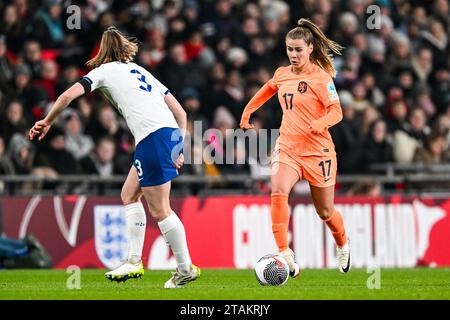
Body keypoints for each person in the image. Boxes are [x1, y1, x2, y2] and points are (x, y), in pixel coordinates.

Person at [29, 26, 200, 288]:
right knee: (129, 194)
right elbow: (180, 112)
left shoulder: (103, 71)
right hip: (164, 136)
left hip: (151, 138)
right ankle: (133, 259)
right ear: (124, 49)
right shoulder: (142, 71)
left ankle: (184, 267)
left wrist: (48, 120)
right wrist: (178, 147)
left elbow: (66, 95)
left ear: (102, 51)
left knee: (160, 209)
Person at [240, 18, 350, 277]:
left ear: (310, 48)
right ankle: (284, 252)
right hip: (288, 146)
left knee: (325, 211)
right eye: (289, 49)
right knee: (278, 190)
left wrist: (320, 123)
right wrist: (247, 112)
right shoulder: (282, 74)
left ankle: (343, 243)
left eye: (298, 49)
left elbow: (337, 111)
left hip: (318, 151)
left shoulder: (321, 78)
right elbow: (267, 90)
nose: (293, 54)